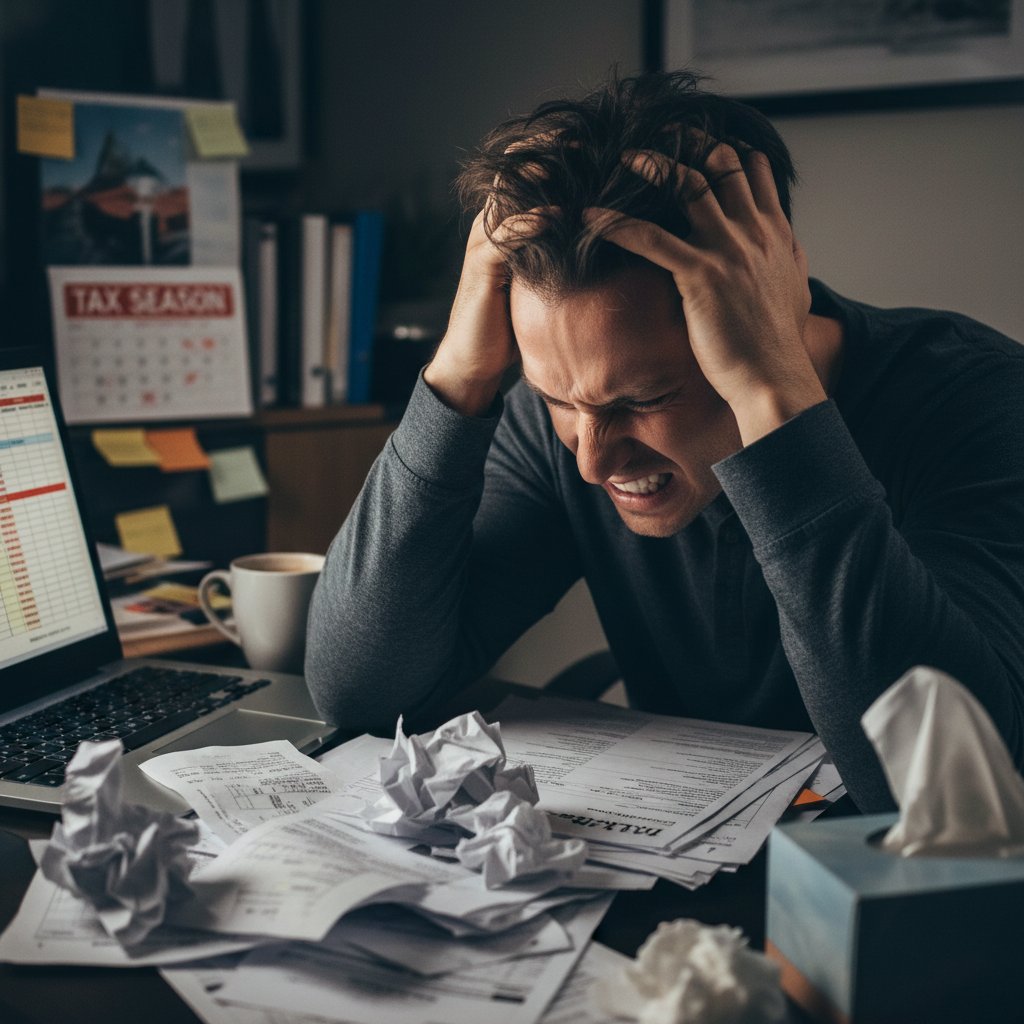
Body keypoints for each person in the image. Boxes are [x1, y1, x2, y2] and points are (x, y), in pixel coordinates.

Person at [306, 71, 1024, 812]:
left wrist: (775, 402)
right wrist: (458, 375)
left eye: (644, 400)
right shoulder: (561, 429)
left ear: (770, 300)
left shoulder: (979, 403)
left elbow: (946, 798)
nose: (591, 458)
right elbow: (360, 689)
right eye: (557, 398)